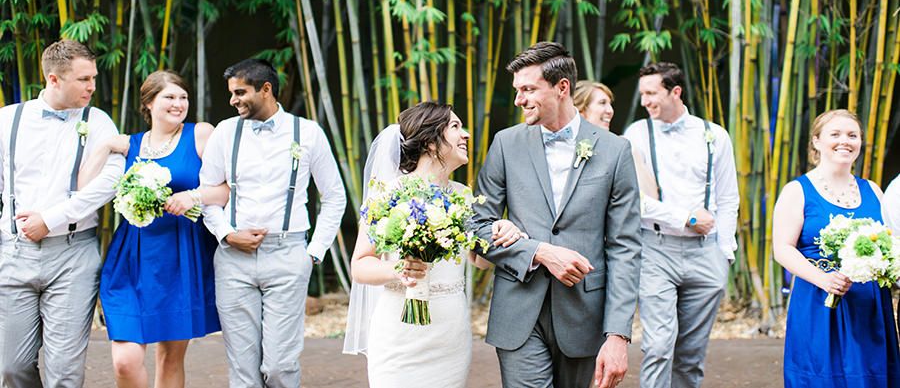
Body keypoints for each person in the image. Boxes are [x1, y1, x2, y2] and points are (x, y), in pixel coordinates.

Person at [472, 41, 642, 388]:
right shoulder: (505, 143)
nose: (519, 99)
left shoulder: (615, 151)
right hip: (519, 313)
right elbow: (476, 225)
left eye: (528, 89)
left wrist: (618, 336)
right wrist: (538, 252)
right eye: (517, 90)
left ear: (562, 88)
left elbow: (625, 247)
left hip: (586, 316)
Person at [343, 102, 525, 387]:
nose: (465, 135)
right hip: (399, 335)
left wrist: (503, 230)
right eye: (455, 127)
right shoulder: (390, 193)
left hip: (450, 336)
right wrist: (398, 270)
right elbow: (360, 266)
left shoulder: (463, 196)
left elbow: (479, 260)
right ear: (429, 141)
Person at [197, 59, 346, 388]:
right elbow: (208, 195)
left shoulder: (307, 133)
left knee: (280, 366)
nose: (233, 100)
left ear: (266, 89)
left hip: (288, 254)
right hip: (233, 260)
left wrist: (313, 253)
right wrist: (226, 234)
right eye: (232, 94)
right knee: (243, 371)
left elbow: (335, 196)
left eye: (240, 92)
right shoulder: (224, 132)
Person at [77, 70, 220, 388]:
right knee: (125, 362)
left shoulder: (201, 135)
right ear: (149, 103)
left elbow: (226, 189)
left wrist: (191, 196)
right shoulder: (131, 145)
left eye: (183, 97)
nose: (179, 103)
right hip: (132, 256)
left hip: (180, 255)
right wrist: (103, 147)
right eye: (170, 97)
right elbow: (84, 188)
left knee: (170, 357)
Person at [0, 40, 125, 387]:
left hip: (73, 253)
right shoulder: (7, 120)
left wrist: (50, 219)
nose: (93, 87)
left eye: (94, 78)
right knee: (11, 368)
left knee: (64, 373)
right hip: (13, 254)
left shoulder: (98, 121)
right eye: (84, 80)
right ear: (54, 80)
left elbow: (109, 183)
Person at [623, 61, 739, 388]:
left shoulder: (714, 135)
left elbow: (728, 197)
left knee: (691, 353)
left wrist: (724, 253)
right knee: (659, 345)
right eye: (642, 93)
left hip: (706, 254)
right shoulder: (636, 134)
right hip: (655, 250)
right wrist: (685, 216)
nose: (644, 100)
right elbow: (632, 199)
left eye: (651, 93)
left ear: (675, 91)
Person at [774, 109, 900, 387]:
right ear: (816, 141)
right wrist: (824, 279)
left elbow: (891, 244)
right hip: (819, 300)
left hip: (869, 305)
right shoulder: (797, 190)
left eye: (852, 135)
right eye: (836, 134)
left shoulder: (874, 190)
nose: (845, 141)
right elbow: (782, 248)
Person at [573, 80, 659, 200]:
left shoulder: (621, 148)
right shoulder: (562, 149)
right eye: (602, 103)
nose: (610, 111)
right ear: (580, 111)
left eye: (610, 104)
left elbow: (648, 198)